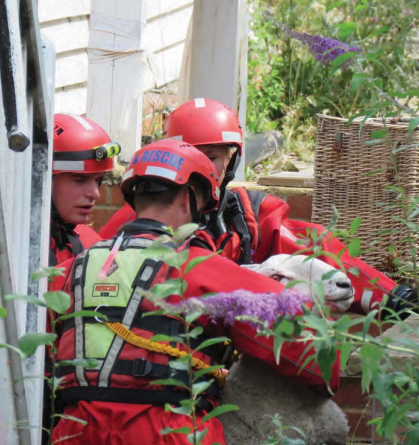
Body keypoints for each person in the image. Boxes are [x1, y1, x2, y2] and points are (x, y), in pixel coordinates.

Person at [50, 139, 339, 445]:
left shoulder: (73, 268)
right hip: (170, 431)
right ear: (189, 200)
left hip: (73, 430)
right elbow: (311, 352)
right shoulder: (196, 267)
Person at [100, 98, 419, 318]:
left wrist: (395, 298)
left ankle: (400, 299)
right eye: (191, 157)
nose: (204, 169)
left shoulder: (245, 215)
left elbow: (316, 251)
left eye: (213, 159)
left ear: (232, 161)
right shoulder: (138, 220)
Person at [50, 113, 120, 266]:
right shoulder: (12, 248)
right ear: (45, 180)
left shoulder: (91, 244)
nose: (95, 194)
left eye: (98, 180)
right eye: (80, 180)